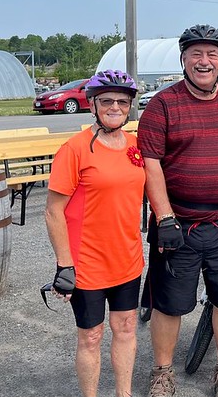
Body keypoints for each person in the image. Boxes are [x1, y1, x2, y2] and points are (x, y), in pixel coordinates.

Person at [138, 23, 218, 397]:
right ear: (183, 58)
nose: (205, 61)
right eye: (196, 54)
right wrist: (165, 216)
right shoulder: (162, 104)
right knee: (169, 304)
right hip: (178, 223)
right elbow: (150, 164)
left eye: (212, 54)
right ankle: (162, 372)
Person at [44, 70, 145, 397]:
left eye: (122, 101)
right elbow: (53, 210)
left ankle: (124, 393)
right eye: (106, 101)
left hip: (127, 259)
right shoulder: (74, 149)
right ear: (93, 105)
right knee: (91, 336)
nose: (114, 107)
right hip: (87, 263)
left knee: (127, 328)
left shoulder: (136, 146)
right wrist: (64, 265)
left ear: (130, 106)